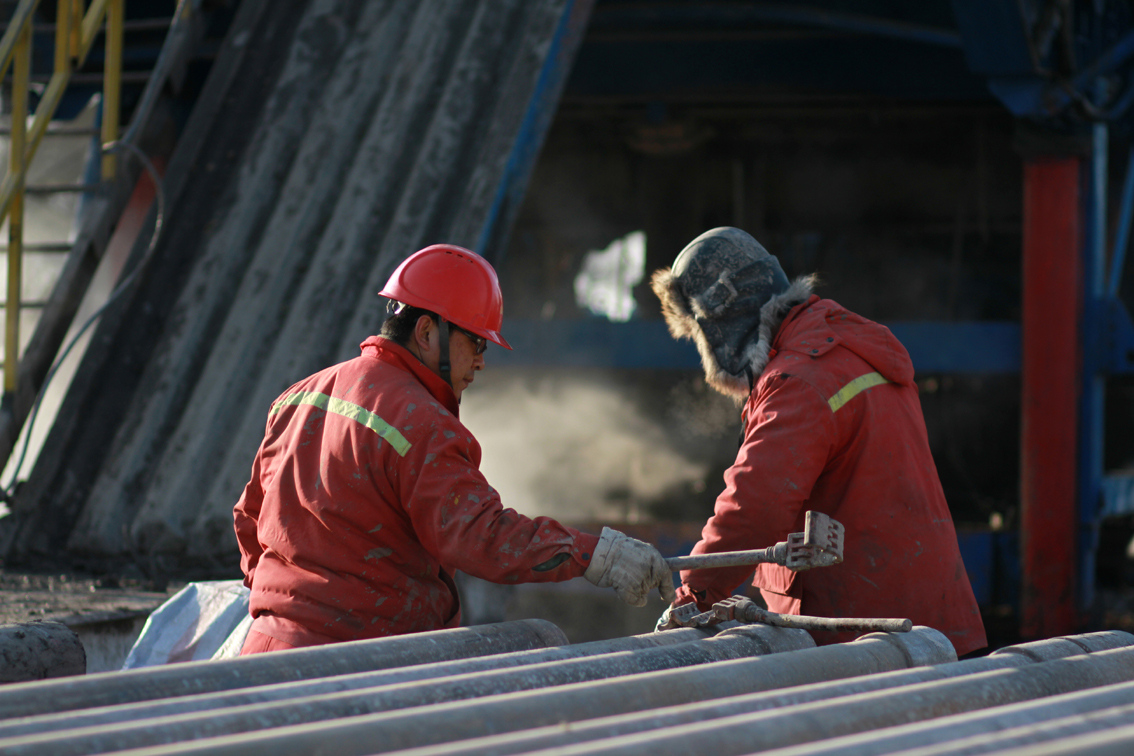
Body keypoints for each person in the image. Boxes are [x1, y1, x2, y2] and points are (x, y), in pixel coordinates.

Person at [233, 244, 675, 653]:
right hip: (353, 669)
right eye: (476, 342)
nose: (482, 360)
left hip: (265, 655)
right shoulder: (421, 422)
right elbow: (481, 537)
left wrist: (283, 607)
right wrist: (596, 555)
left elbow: (248, 517)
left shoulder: (301, 395)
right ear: (427, 332)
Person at [651, 227, 987, 656]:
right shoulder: (851, 350)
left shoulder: (798, 381)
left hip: (868, 640)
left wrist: (692, 599)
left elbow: (754, 509)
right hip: (930, 625)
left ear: (720, 325)